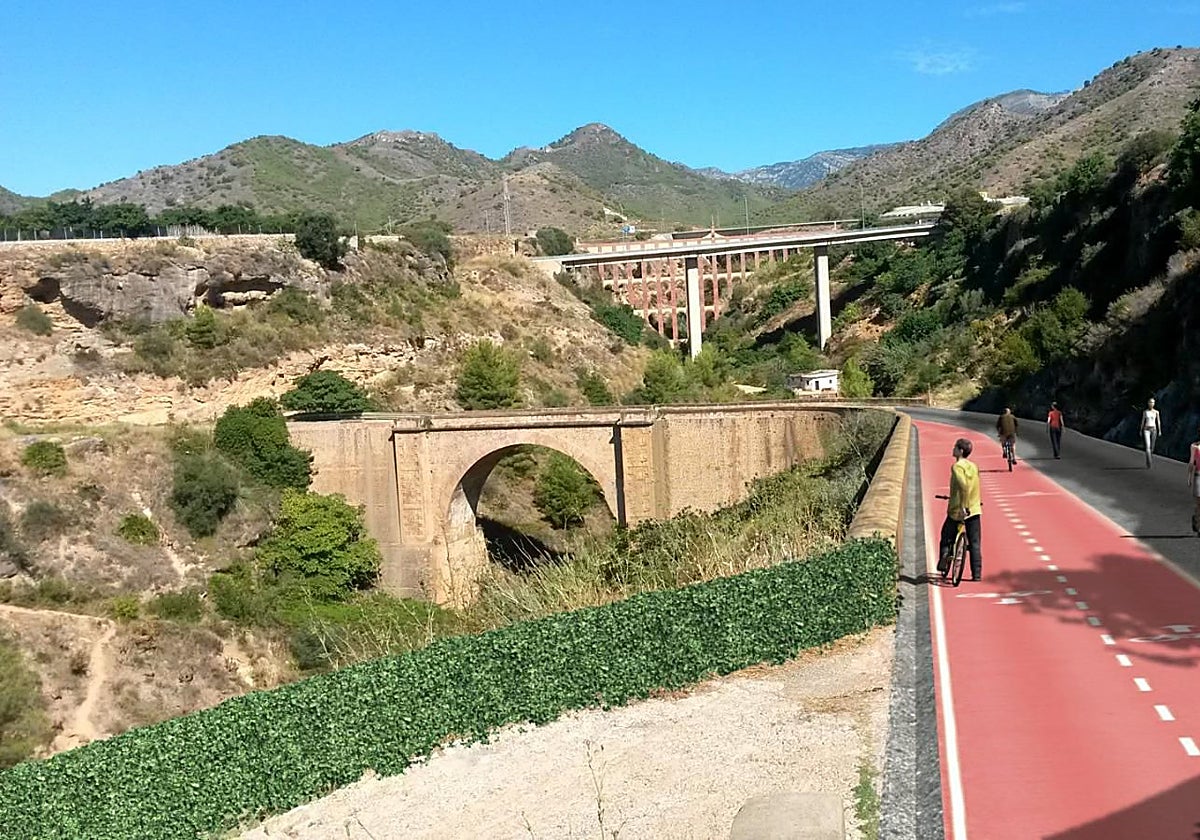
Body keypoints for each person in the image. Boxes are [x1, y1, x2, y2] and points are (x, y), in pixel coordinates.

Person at [938, 437, 983, 581]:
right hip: (975, 509)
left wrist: (963, 506)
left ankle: (944, 559)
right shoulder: (974, 466)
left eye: (955, 447)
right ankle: (976, 574)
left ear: (960, 451)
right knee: (974, 543)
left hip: (958, 510)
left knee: (946, 536)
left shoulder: (957, 467)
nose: (953, 449)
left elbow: (964, 486)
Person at [1141, 398, 1162, 469]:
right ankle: (1148, 461)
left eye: (1153, 402)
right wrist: (1141, 429)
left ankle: (1150, 457)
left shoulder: (1156, 412)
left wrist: (1159, 430)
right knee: (1148, 446)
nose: (1151, 404)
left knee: (1152, 447)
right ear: (1148, 403)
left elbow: (1158, 421)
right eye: (1150, 402)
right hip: (1146, 429)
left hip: (1154, 429)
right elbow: (1143, 421)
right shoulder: (1145, 412)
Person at [1189, 427, 1200, 535]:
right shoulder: (1194, 446)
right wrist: (1189, 477)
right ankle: (1196, 519)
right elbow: (1192, 462)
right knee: (1198, 503)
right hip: (1198, 476)